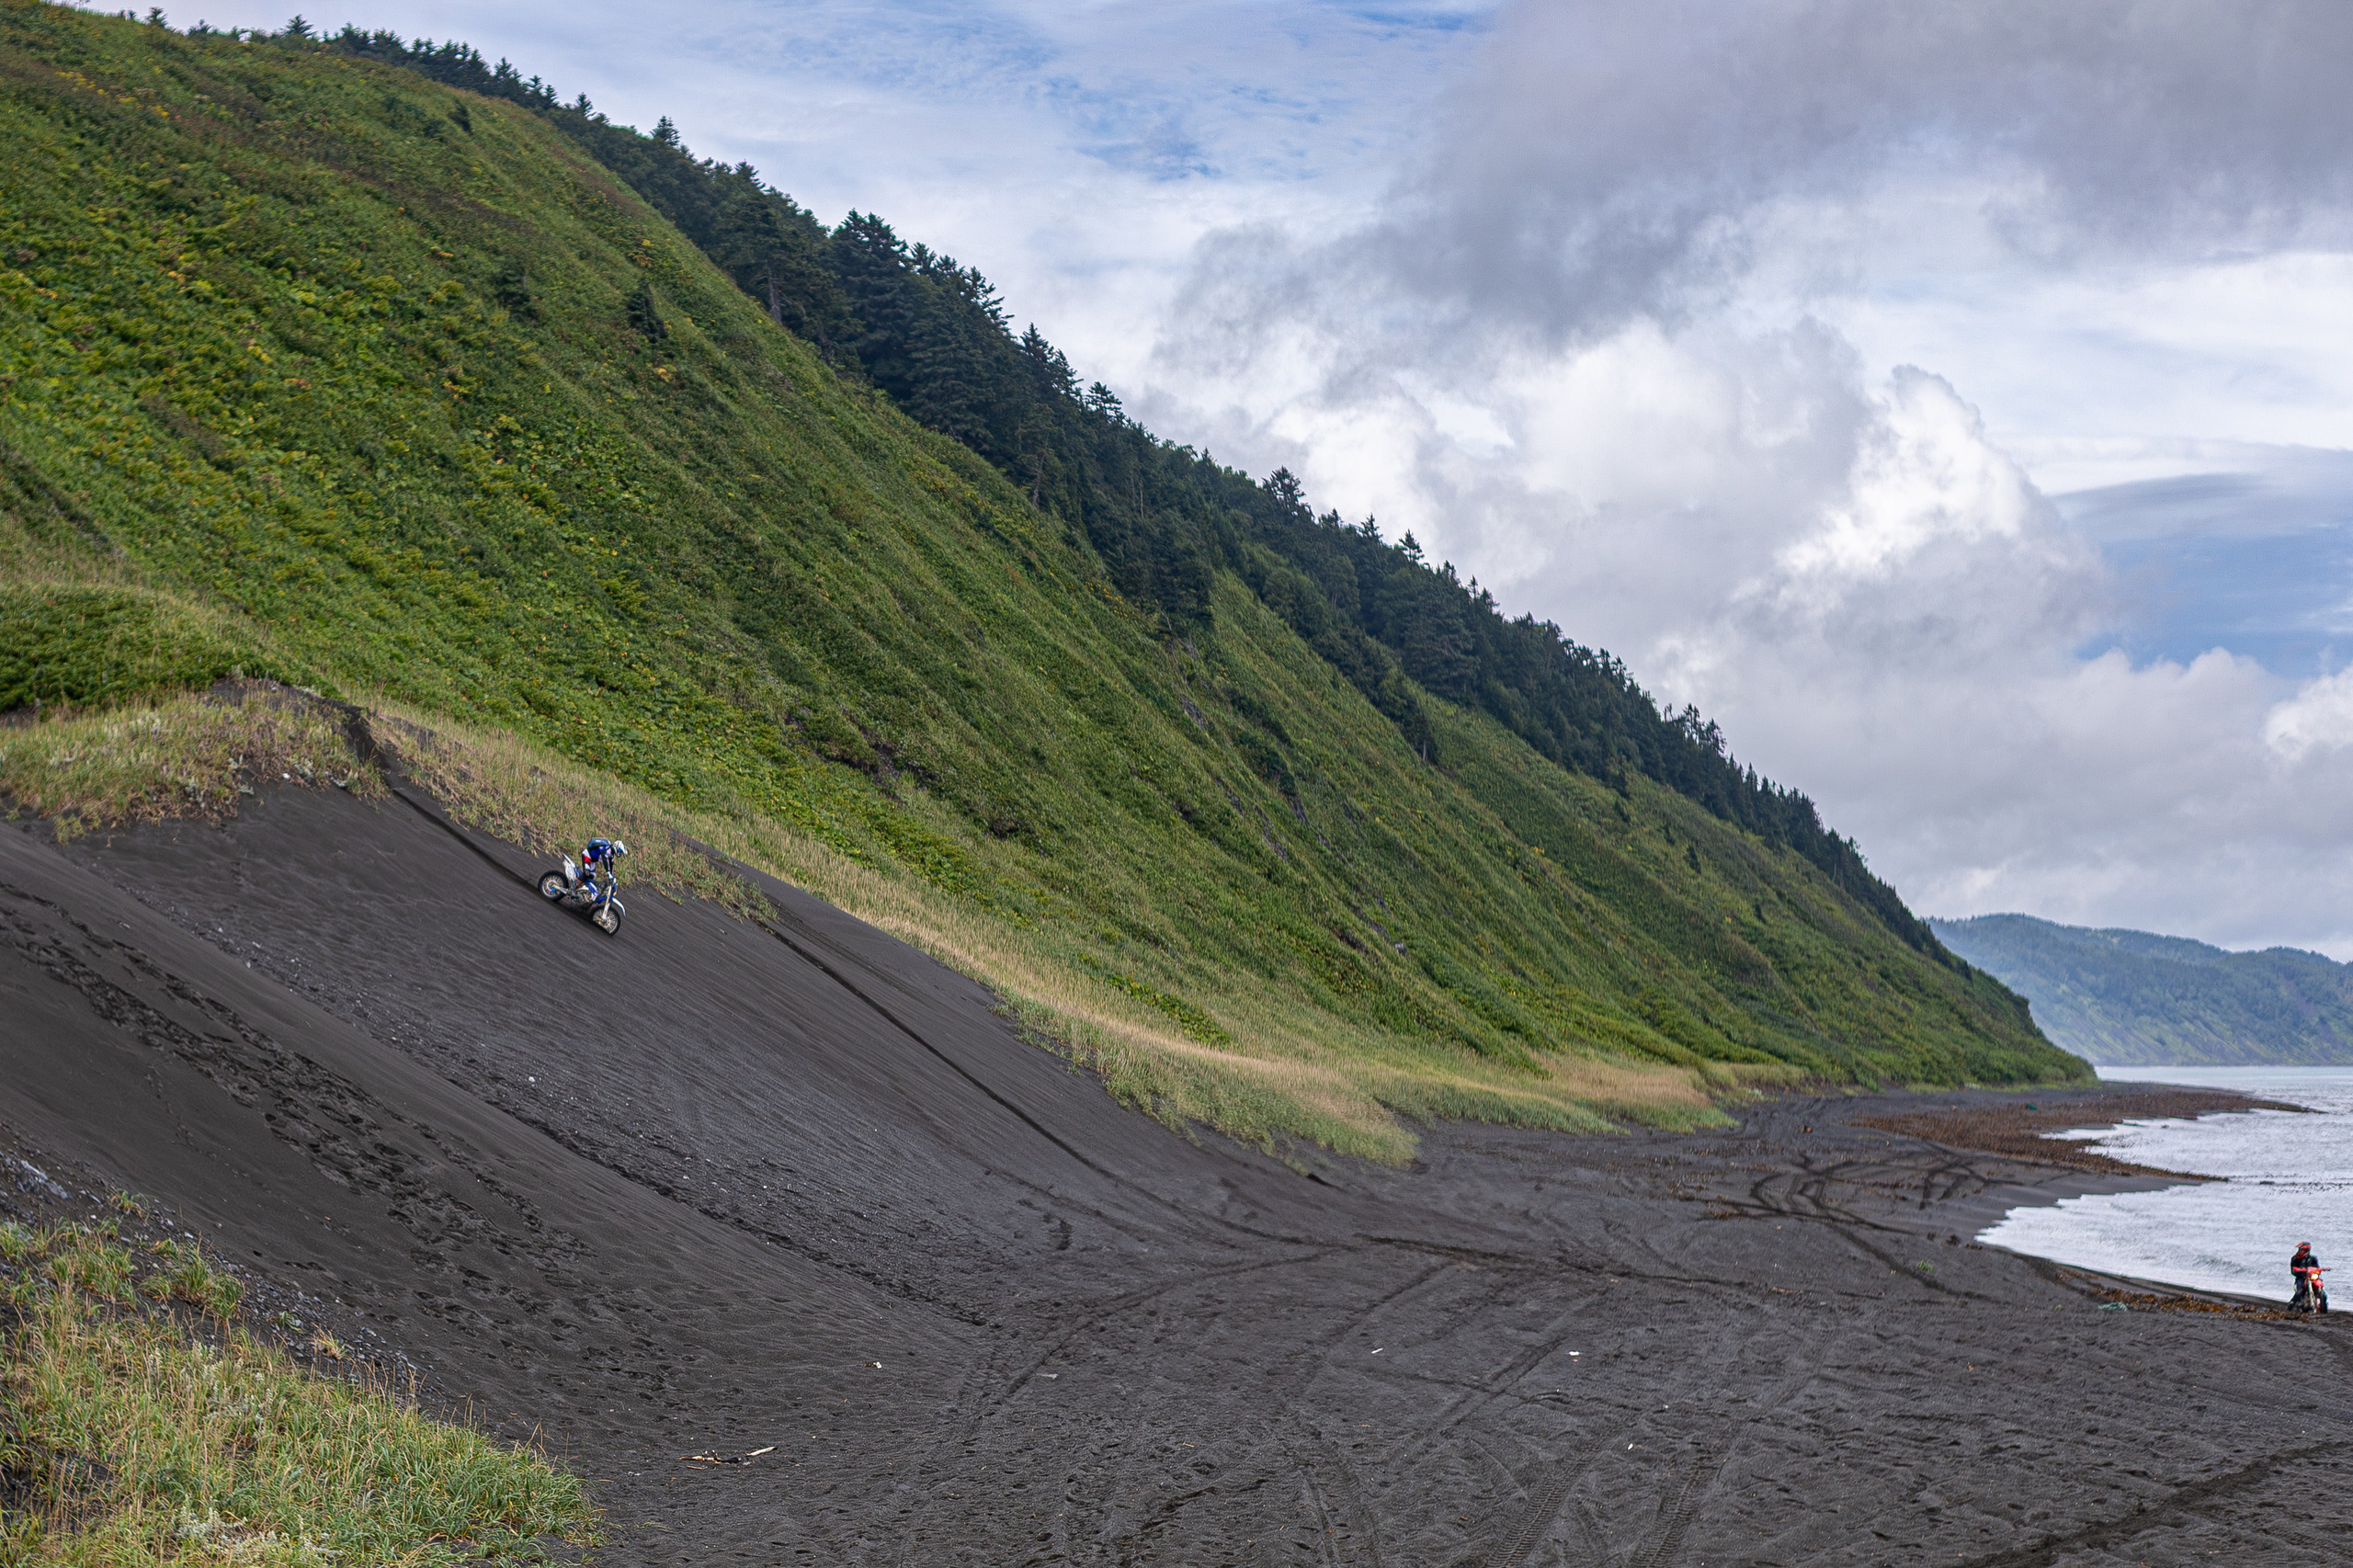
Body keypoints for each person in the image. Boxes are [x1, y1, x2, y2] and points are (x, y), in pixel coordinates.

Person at [570, 836, 629, 903]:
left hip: (592, 860)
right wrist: (608, 873)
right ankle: (572, 888)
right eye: (620, 851)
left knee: (592, 877)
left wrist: (612, 876)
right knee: (587, 873)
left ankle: (582, 890)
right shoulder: (607, 849)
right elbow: (605, 860)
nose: (620, 853)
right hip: (587, 856)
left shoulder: (611, 855)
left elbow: (611, 865)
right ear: (617, 847)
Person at [2290, 1242, 2328, 1312]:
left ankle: (2324, 1307)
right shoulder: (2295, 1259)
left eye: (2301, 1250)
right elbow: (2293, 1271)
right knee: (2300, 1291)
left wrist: (2322, 1269)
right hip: (2301, 1277)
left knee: (2323, 1292)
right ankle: (2292, 1304)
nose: (2300, 1251)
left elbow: (2317, 1267)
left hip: (2312, 1277)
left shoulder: (2313, 1258)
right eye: (2300, 1250)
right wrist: (2300, 1271)